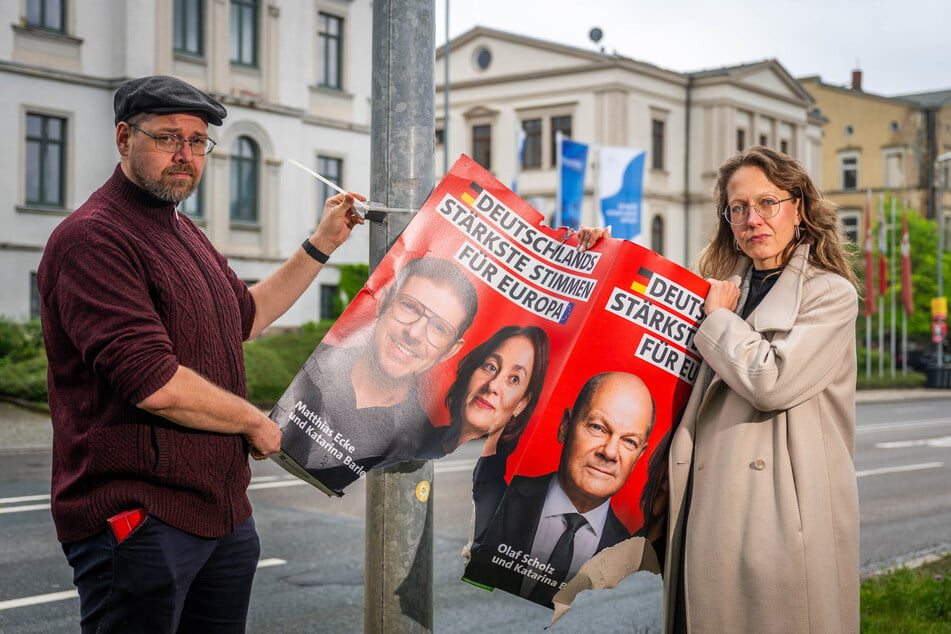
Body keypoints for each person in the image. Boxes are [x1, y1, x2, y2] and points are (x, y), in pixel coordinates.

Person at [37, 75, 364, 634]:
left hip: (222, 517)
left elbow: (248, 316)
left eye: (197, 142)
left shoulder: (183, 232)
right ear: (123, 138)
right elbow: (153, 382)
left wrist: (323, 242)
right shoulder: (94, 239)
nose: (184, 155)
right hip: (139, 520)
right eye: (168, 138)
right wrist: (253, 423)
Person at [583, 146, 860, 632]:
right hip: (705, 513)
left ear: (799, 207)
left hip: (776, 520)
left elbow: (771, 383)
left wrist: (720, 318)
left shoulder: (828, 293)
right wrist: (599, 261)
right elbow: (634, 349)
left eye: (768, 203)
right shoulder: (716, 292)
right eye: (738, 208)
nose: (753, 218)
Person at [275, 256, 479, 493]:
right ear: (383, 303)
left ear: (451, 350)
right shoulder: (310, 372)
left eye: (439, 328)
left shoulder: (418, 438)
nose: (414, 333)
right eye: (410, 306)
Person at [465, 371, 655, 608]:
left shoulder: (629, 557)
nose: (609, 452)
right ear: (566, 425)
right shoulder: (501, 498)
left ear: (639, 457)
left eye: (629, 442)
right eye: (597, 427)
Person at [431, 325, 550, 550]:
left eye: (514, 379)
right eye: (490, 366)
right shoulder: (417, 436)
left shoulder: (506, 491)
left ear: (522, 404)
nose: (493, 385)